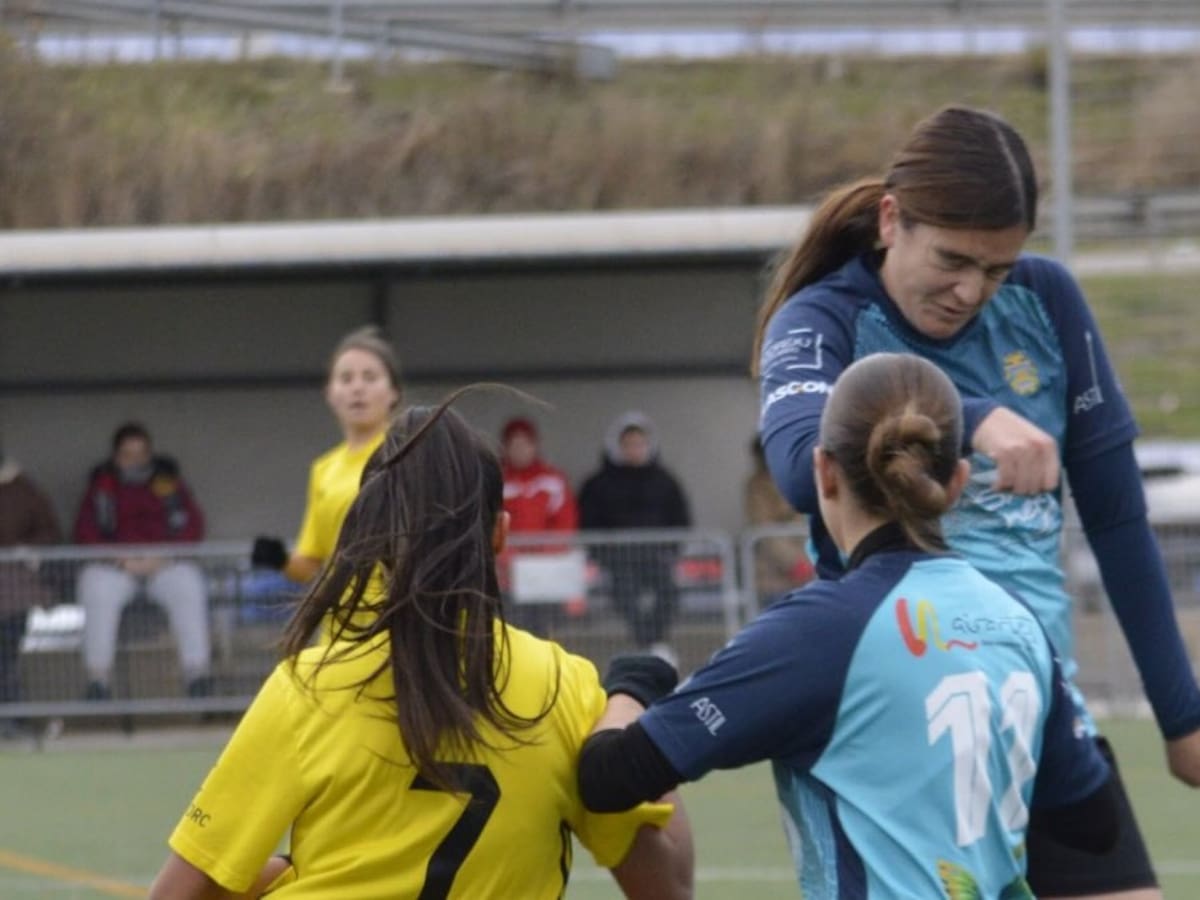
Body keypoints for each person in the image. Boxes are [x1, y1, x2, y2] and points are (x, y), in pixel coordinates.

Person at [753, 105, 1200, 898]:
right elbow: (799, 469)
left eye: (996, 270)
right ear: (891, 220)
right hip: (893, 721)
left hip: (1040, 710)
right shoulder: (820, 318)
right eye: (954, 261)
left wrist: (1182, 715)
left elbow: (1119, 517)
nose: (972, 292)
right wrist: (960, 413)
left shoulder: (1046, 300)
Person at [578, 353, 1120, 898]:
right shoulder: (1018, 618)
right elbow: (1093, 823)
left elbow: (608, 777)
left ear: (823, 472)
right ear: (956, 481)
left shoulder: (819, 632)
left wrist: (634, 682)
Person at [149, 397, 692, 900]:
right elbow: (667, 887)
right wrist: (634, 711)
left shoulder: (309, 686)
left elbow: (177, 894)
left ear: (369, 534)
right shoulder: (562, 684)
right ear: (500, 535)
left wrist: (291, 875)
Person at [252, 325, 402, 587]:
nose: (357, 388)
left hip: (400, 618)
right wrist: (281, 559)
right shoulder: (324, 469)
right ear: (330, 394)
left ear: (394, 392)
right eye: (346, 378)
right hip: (341, 624)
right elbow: (314, 566)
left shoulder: (412, 452)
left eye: (370, 377)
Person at [74, 423, 210, 700]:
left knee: (189, 583)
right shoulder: (103, 485)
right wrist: (119, 559)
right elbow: (84, 531)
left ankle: (197, 675)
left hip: (162, 563)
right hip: (117, 565)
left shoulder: (167, 482)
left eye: (141, 454)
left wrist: (162, 557)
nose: (135, 460)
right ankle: (98, 679)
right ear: (116, 456)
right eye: (128, 454)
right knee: (95, 586)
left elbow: (193, 525)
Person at [579, 412, 691, 659]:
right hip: (617, 561)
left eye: (639, 444)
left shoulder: (665, 481)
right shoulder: (599, 484)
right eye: (628, 444)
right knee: (625, 596)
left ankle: (652, 644)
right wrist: (603, 556)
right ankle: (647, 645)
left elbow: (680, 519)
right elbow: (589, 523)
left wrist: (670, 551)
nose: (634, 450)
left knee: (669, 592)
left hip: (657, 558)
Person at [498, 416, 582, 631]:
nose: (520, 450)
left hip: (546, 569)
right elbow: (492, 521)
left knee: (545, 626)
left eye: (525, 444)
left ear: (534, 445)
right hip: (509, 572)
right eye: (514, 445)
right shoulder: (497, 480)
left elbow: (565, 522)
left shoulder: (552, 479)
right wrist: (508, 556)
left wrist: (544, 554)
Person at [0, 447, 62, 722]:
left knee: (6, 657)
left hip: (13, 592)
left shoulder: (24, 490)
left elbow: (50, 532)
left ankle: (13, 717)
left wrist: (25, 552)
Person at [744, 436, 813, 606]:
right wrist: (796, 564)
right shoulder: (758, 487)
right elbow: (766, 533)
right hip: (775, 577)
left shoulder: (802, 478)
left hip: (808, 573)